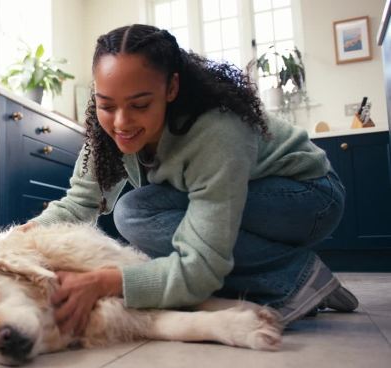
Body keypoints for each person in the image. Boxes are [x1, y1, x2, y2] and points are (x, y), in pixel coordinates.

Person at [18, 24, 358, 336]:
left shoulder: (216, 131)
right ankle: (299, 279)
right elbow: (79, 202)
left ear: (172, 88)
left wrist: (105, 282)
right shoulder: (106, 130)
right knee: (137, 210)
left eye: (139, 104)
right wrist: (20, 240)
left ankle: (296, 279)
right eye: (107, 105)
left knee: (135, 213)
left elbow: (201, 268)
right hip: (260, 199)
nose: (121, 122)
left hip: (308, 198)